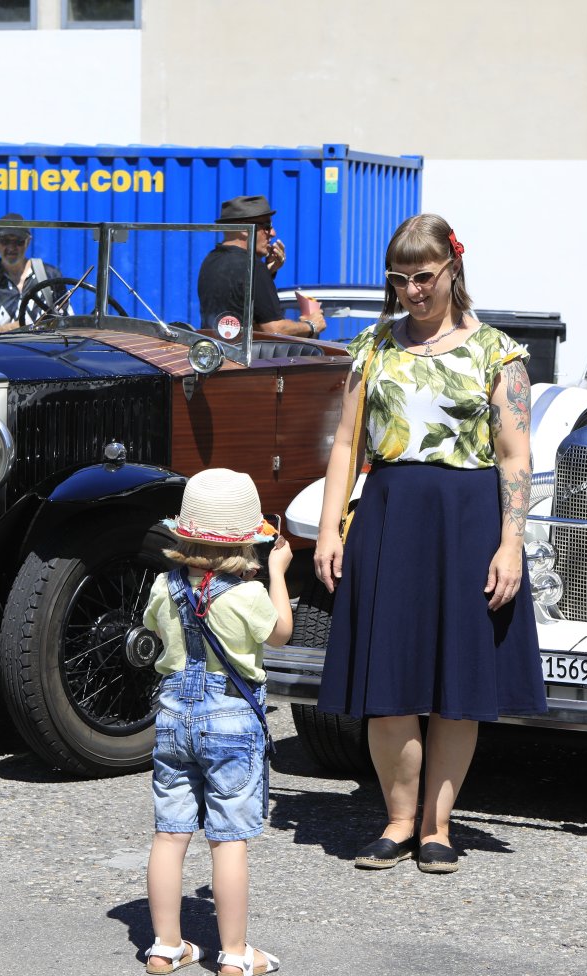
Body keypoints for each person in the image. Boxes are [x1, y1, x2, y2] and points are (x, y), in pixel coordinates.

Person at [312, 213, 547, 875]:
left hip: (468, 522)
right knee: (386, 680)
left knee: (455, 683)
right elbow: (345, 443)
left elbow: (515, 456)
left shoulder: (498, 352)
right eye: (399, 279)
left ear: (452, 269)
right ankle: (396, 821)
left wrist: (511, 543)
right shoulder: (374, 345)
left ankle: (437, 827)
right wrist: (329, 528)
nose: (412, 291)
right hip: (389, 516)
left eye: (424, 276)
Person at [141, 468, 293, 976]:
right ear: (249, 540)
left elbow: (152, 626)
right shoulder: (248, 595)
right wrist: (279, 575)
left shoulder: (164, 586)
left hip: (173, 717)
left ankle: (165, 946)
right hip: (230, 716)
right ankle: (234, 953)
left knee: (170, 834)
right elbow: (281, 634)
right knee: (227, 839)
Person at [197, 195, 324, 339]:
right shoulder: (253, 266)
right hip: (242, 352)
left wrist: (269, 271)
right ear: (245, 229)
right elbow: (274, 330)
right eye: (266, 226)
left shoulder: (211, 260)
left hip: (214, 349)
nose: (273, 233)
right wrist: (311, 325)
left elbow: (236, 298)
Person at [0, 213, 59, 333]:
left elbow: (66, 324)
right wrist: (14, 328)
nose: (11, 247)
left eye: (19, 241)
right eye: (4, 241)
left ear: (28, 241)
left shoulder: (50, 276)